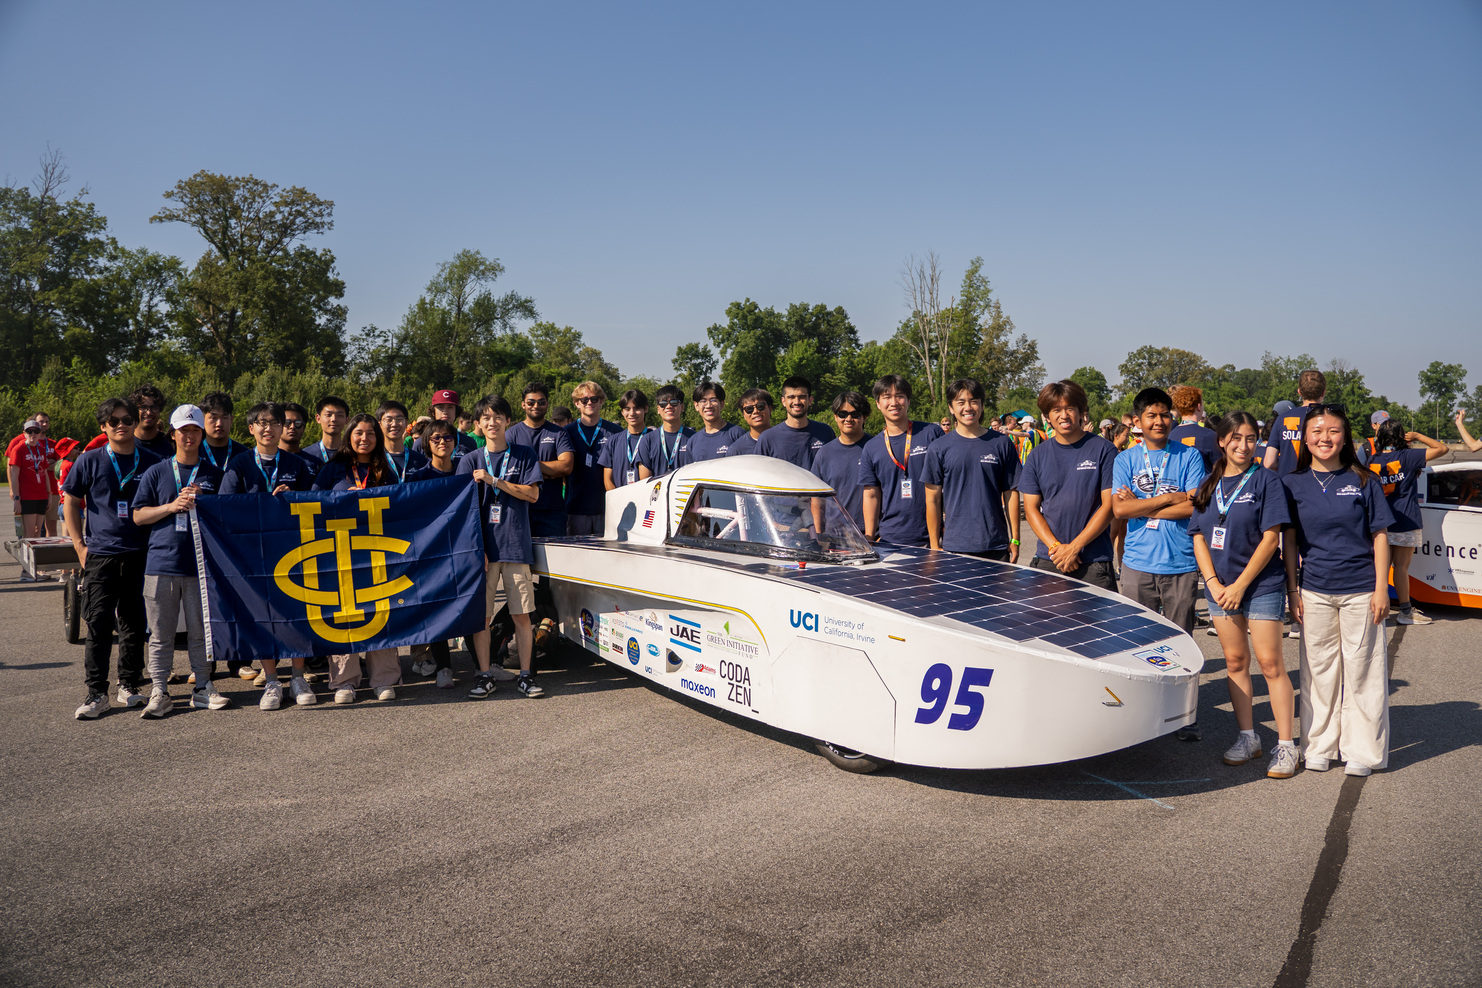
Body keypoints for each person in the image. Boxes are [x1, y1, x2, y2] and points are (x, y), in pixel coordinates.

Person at [1282, 404, 1394, 776]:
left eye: (1332, 431)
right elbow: (1291, 542)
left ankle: (1362, 751)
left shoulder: (1364, 480)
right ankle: (1319, 745)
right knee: (1318, 671)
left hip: (1361, 590)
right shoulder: (1292, 483)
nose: (1324, 438)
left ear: (1345, 437)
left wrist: (1382, 589)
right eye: (1317, 431)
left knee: (1363, 671)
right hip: (1314, 590)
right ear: (1305, 438)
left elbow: (1380, 536)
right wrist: (1293, 590)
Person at [1188, 412, 1296, 778]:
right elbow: (1199, 536)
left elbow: (1271, 539)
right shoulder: (1209, 482)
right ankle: (1248, 737)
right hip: (1220, 587)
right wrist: (1214, 583)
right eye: (1235, 438)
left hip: (1260, 585)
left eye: (1251, 438)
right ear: (1221, 441)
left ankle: (1286, 746)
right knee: (1235, 662)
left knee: (1270, 664)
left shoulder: (1267, 481)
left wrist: (1239, 586)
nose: (1243, 445)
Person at [1113, 387, 1208, 740]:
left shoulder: (1189, 457)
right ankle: (1140, 714)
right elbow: (1120, 510)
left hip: (1180, 562)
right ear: (1138, 422)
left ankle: (1183, 716)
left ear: (1172, 418)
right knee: (1136, 644)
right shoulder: (1125, 460)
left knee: (1182, 643)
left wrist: (1144, 503)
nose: (1159, 421)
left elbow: (1194, 505)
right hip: (1138, 563)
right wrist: (1169, 497)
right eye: (1151, 416)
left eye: (1164, 415)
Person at [65, 398, 162, 719]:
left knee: (135, 623)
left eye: (127, 419)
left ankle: (130, 684)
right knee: (99, 623)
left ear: (135, 423)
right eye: (114, 421)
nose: (122, 425)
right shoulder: (90, 460)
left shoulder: (151, 461)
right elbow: (71, 501)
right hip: (101, 555)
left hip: (139, 553)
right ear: (103, 427)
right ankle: (96, 693)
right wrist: (79, 545)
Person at [129, 405, 230, 716]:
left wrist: (207, 502)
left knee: (201, 632)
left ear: (202, 435)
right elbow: (138, 515)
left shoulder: (215, 474)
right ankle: (159, 690)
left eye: (195, 430)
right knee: (161, 634)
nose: (189, 435)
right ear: (172, 434)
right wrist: (171, 506)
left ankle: (202, 686)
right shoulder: (157, 471)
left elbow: (227, 517)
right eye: (183, 430)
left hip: (202, 567)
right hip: (161, 564)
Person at [221, 402, 320, 707]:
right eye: (261, 423)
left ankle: (298, 679)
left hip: (294, 550)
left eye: (274, 423)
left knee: (298, 613)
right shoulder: (239, 464)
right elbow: (224, 505)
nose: (268, 428)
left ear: (282, 428)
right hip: (254, 554)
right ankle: (273, 681)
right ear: (251, 429)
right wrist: (263, 502)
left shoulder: (297, 464)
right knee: (264, 617)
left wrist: (295, 499)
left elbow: (314, 503)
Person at [310, 414, 404, 703]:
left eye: (371, 434)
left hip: (376, 551)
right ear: (350, 435)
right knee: (345, 614)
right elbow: (312, 503)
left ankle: (384, 679)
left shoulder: (385, 469)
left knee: (380, 613)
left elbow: (400, 505)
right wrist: (340, 501)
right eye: (359, 433)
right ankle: (344, 681)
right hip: (340, 552)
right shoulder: (333, 468)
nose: (365, 439)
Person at [457, 395, 546, 699]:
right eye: (486, 418)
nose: (492, 422)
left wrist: (494, 481)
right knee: (481, 617)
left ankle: (525, 674)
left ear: (508, 421)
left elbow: (532, 495)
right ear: (478, 425)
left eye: (498, 417)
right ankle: (483, 674)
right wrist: (473, 548)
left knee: (522, 616)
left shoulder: (523, 455)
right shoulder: (470, 460)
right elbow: (462, 510)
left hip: (515, 545)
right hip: (482, 551)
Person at [1019, 380, 1118, 591]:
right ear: (1047, 416)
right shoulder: (1037, 456)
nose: (1063, 415)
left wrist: (1075, 547)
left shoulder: (1104, 450)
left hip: (1093, 562)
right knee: (1049, 625)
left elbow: (1109, 506)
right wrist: (1057, 548)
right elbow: (1030, 509)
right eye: (1056, 410)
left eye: (1070, 408)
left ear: (1081, 412)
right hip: (1050, 559)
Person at [406, 419, 473, 689]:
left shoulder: (465, 473)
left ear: (455, 442)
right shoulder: (418, 478)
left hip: (464, 548)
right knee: (438, 611)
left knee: (469, 607)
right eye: (436, 439)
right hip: (432, 553)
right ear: (427, 443)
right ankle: (444, 666)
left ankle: (483, 665)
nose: (442, 442)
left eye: (447, 438)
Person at [923, 379, 1021, 560]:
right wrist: (935, 545)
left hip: (996, 545)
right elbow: (932, 501)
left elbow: (1011, 494)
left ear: (982, 406)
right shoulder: (938, 448)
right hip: (954, 547)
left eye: (973, 401)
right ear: (951, 408)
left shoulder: (1001, 443)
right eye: (960, 402)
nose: (968, 407)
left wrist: (1015, 539)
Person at [1367, 420, 1449, 625]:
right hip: (1406, 519)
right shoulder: (1408, 456)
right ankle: (1405, 612)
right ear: (1401, 436)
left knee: (1380, 569)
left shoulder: (1372, 460)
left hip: (1380, 522)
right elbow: (1442, 448)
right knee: (1401, 568)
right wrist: (1418, 436)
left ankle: (1372, 609)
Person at [858, 375, 944, 546]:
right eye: (887, 397)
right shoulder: (872, 447)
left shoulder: (932, 433)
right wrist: (869, 536)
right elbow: (871, 494)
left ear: (908, 401)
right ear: (877, 403)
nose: (894, 402)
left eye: (899, 396)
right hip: (890, 539)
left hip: (934, 539)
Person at [506, 382, 575, 537]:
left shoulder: (559, 433)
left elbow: (566, 467)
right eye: (531, 402)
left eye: (541, 402)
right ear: (523, 405)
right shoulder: (511, 435)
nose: (536, 406)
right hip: (520, 509)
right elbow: (510, 471)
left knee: (554, 561)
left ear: (547, 404)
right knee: (522, 561)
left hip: (552, 511)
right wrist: (549, 472)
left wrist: (529, 468)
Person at [564, 381, 621, 535]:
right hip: (576, 508)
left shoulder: (615, 432)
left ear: (601, 401)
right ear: (577, 403)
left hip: (607, 508)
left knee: (608, 557)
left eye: (594, 399)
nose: (589, 402)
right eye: (584, 400)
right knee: (577, 556)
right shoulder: (566, 432)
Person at [811, 391, 872, 532]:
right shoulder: (824, 453)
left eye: (855, 414)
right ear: (835, 417)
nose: (848, 419)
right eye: (843, 414)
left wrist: (873, 534)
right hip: (835, 535)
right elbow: (816, 498)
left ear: (865, 417)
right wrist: (819, 534)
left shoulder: (875, 448)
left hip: (871, 535)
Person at [755, 376, 837, 469]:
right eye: (791, 397)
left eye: (802, 397)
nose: (796, 402)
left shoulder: (825, 432)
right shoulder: (768, 438)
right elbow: (760, 474)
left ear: (810, 400)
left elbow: (834, 470)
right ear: (783, 401)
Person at [1263, 369, 1326, 475]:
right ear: (1323, 392)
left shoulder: (1283, 419)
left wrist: (1286, 465)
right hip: (1320, 483)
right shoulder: (1331, 419)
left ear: (1299, 392)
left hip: (1287, 484)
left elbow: (1269, 462)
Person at [9, 418, 56, 546]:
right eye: (29, 431)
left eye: (36, 431)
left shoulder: (41, 450)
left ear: (40, 433)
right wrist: (17, 498)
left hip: (41, 495)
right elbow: (14, 475)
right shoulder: (18, 449)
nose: (33, 435)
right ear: (24, 433)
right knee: (29, 534)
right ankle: (27, 565)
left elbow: (45, 473)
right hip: (27, 496)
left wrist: (49, 494)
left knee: (38, 534)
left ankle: (36, 564)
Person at [634, 385, 693, 479]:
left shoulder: (693, 439)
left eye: (673, 402)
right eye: (663, 404)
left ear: (682, 407)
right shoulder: (647, 440)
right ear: (658, 409)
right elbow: (644, 482)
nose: (668, 406)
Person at [681, 381, 744, 464]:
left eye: (713, 400)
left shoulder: (737, 434)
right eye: (703, 401)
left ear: (722, 404)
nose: (708, 405)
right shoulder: (693, 441)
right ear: (696, 406)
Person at [601, 389, 650, 491]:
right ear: (622, 412)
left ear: (645, 409)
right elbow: (607, 479)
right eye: (627, 409)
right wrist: (618, 499)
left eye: (636, 408)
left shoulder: (654, 439)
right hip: (620, 502)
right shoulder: (612, 441)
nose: (632, 413)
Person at [413, 389, 479, 461]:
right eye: (440, 407)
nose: (445, 412)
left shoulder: (469, 442)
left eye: (450, 407)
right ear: (433, 412)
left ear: (456, 412)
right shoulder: (420, 443)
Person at [376, 400, 429, 484]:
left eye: (399, 419)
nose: (394, 424)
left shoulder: (420, 460)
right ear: (379, 424)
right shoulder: (373, 458)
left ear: (406, 422)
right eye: (389, 420)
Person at [1168, 385, 1217, 471]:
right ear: (1199, 406)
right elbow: (1221, 469)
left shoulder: (1170, 435)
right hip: (1203, 483)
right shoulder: (1209, 436)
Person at [198, 392, 248, 471]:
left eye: (224, 417)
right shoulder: (194, 452)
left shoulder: (244, 455)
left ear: (231, 420)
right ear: (202, 419)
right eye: (213, 418)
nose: (219, 424)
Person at [300, 395, 349, 466]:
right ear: (318, 418)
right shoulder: (306, 455)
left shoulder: (352, 454)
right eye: (328, 415)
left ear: (347, 420)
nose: (334, 419)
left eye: (340, 415)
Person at [128, 385, 175, 458]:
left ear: (160, 410)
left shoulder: (170, 446)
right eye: (143, 407)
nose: (149, 412)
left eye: (154, 407)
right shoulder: (124, 443)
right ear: (134, 410)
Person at [727, 389, 774, 456]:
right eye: (749, 409)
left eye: (760, 406)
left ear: (770, 408)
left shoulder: (784, 440)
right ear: (744, 415)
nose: (755, 411)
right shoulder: (736, 450)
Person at [279, 402, 313, 467]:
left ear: (303, 428)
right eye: (287, 422)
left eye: (298, 423)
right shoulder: (269, 459)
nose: (292, 427)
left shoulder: (314, 463)